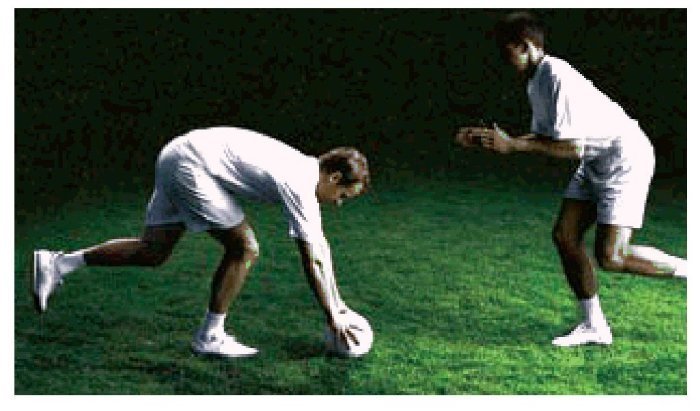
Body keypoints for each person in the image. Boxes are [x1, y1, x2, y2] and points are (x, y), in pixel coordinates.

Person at [32, 126, 370, 358]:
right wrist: (332, 316)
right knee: (244, 248)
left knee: (153, 251)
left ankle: (59, 263)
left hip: (178, 153)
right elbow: (312, 258)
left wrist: (339, 305)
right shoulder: (300, 182)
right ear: (334, 177)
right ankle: (210, 337)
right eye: (342, 195)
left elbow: (320, 249)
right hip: (193, 165)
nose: (338, 203)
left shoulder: (302, 168)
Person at [455, 12, 686, 347]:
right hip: (596, 159)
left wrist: (514, 145)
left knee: (612, 257)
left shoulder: (556, 75)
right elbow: (546, 138)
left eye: (507, 51)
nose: (503, 60)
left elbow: (572, 148)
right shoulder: (536, 81)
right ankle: (595, 327)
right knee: (565, 236)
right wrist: (495, 140)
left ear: (526, 46)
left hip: (625, 159)